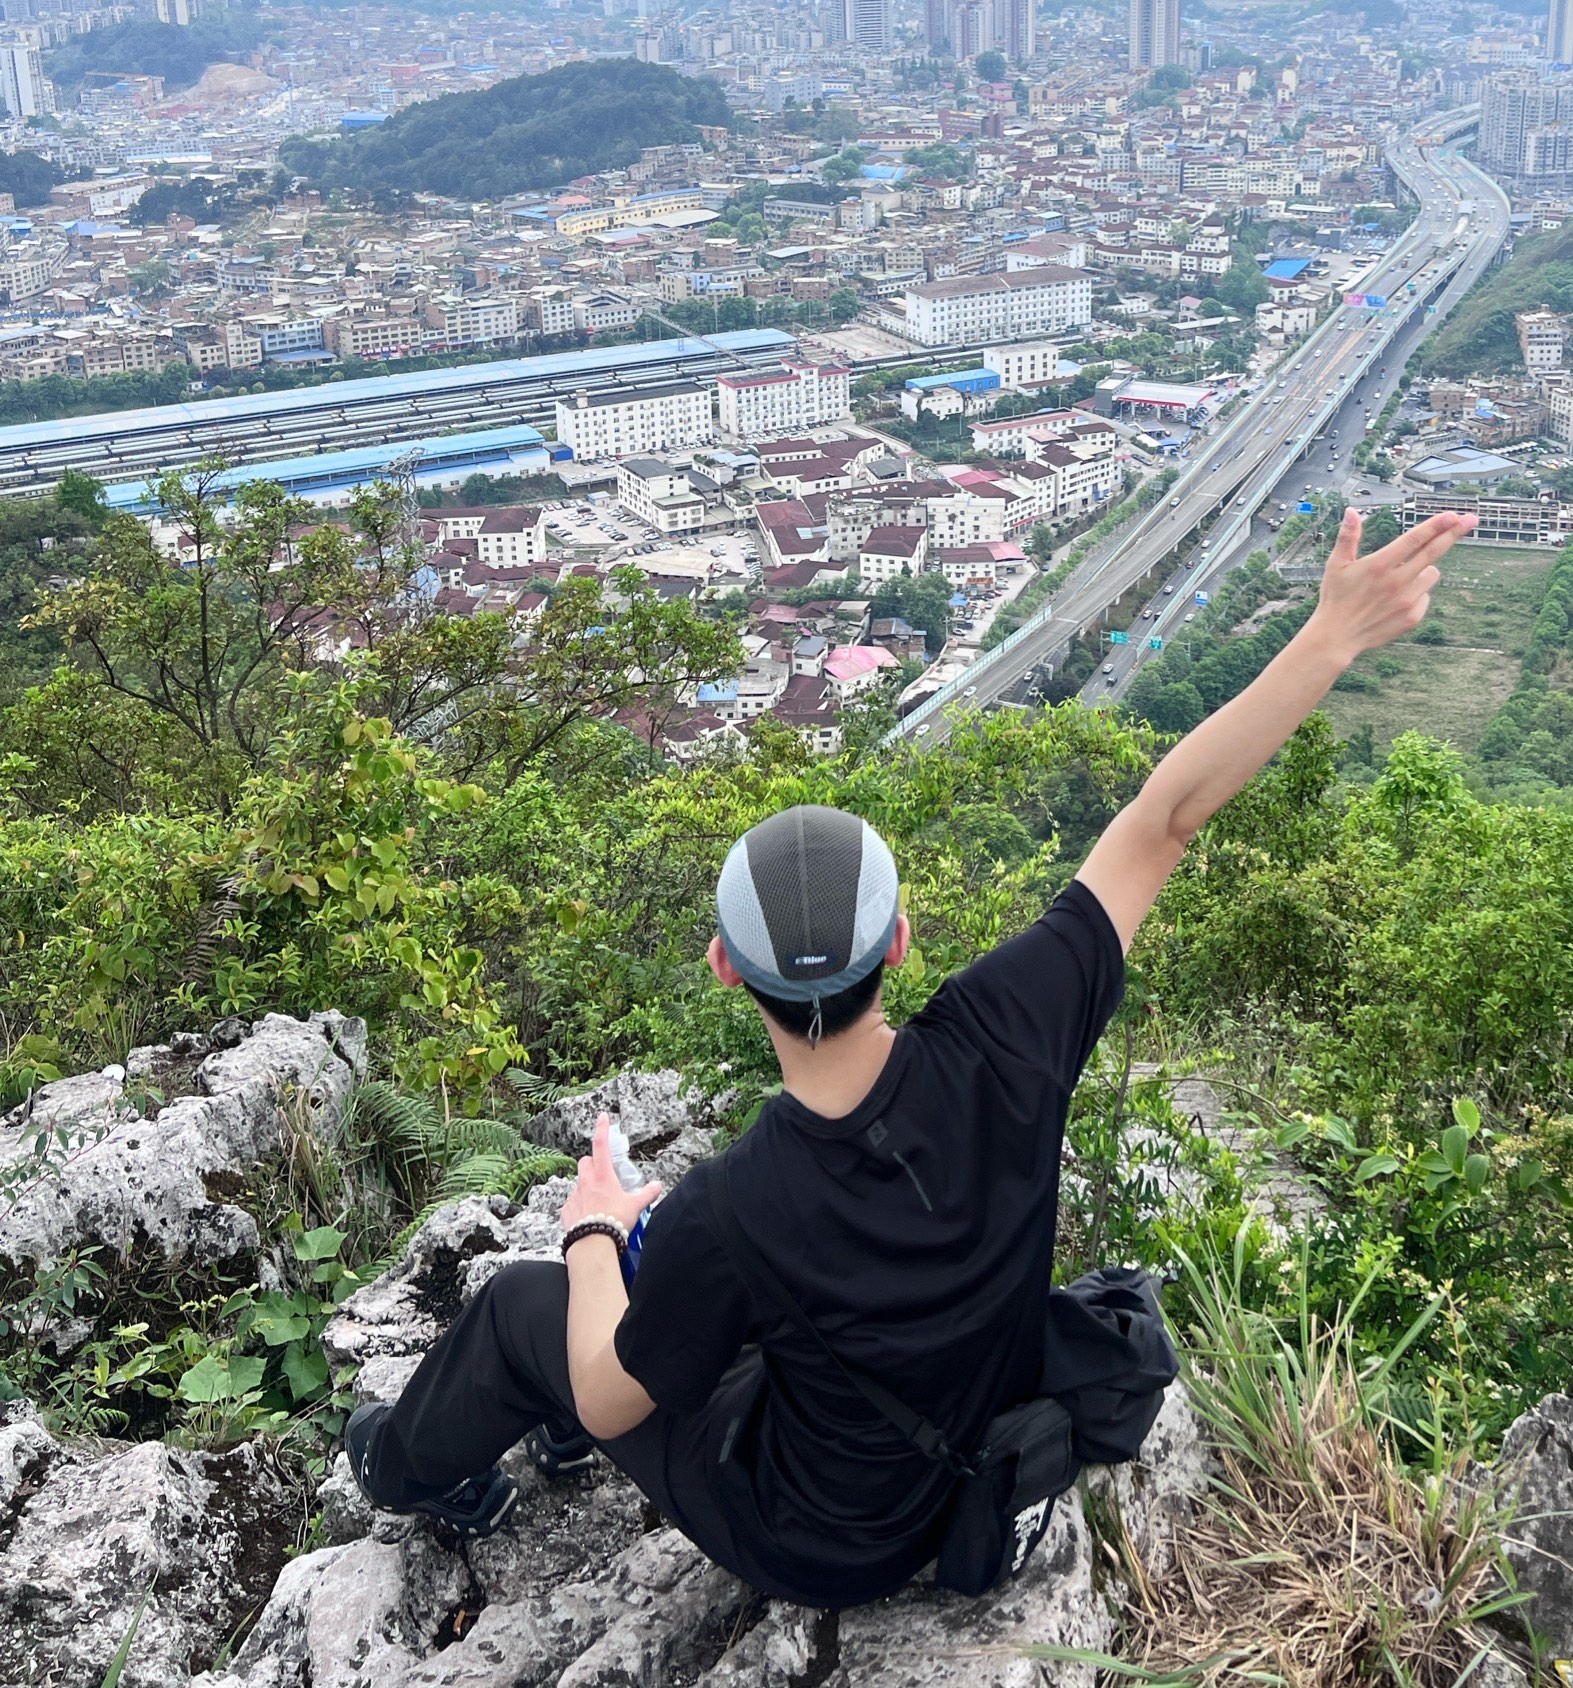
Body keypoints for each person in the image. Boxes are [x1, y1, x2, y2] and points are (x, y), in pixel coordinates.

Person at [346, 503, 1473, 1606]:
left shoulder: (735, 1210)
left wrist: (595, 1226)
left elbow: (606, 1396)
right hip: (965, 1468)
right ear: (897, 942)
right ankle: (521, 1430)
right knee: (668, 1302)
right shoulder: (1005, 1038)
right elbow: (1161, 820)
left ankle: (403, 1466)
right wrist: (1328, 637)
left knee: (529, 1308)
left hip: (824, 1545)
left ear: (724, 969)